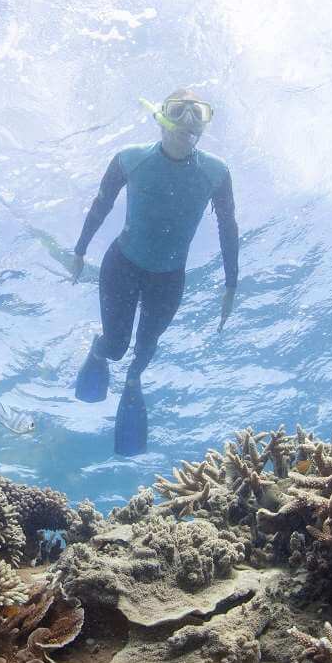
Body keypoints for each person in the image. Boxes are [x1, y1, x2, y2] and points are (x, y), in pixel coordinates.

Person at [70, 88, 239, 455]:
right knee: (117, 347)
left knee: (144, 350)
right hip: (122, 266)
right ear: (161, 117)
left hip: (169, 278)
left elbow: (228, 227)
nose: (188, 122)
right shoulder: (130, 159)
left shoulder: (217, 172)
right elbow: (101, 206)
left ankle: (133, 383)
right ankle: (99, 353)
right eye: (179, 111)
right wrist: (80, 250)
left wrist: (231, 286)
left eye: (199, 114)